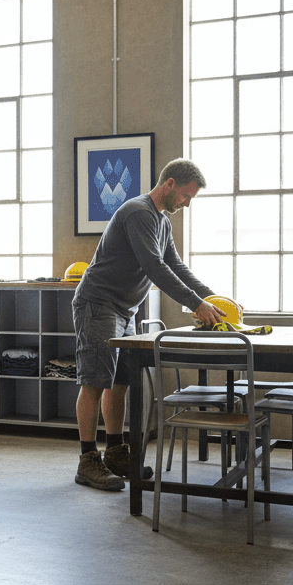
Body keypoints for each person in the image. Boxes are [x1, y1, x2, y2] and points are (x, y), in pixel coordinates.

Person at [70, 158, 224, 492]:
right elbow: (154, 267)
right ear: (169, 184)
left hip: (125, 309)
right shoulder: (139, 212)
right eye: (185, 196)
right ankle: (87, 461)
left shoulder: (162, 222)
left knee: (120, 382)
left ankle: (114, 451)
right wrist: (197, 305)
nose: (186, 203)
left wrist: (215, 298)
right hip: (99, 303)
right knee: (95, 380)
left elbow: (176, 266)